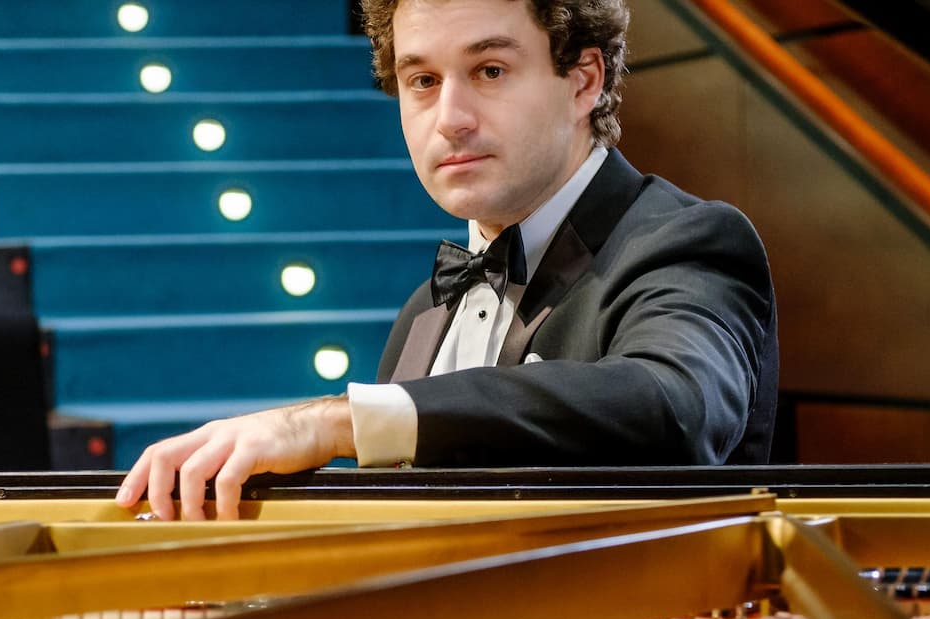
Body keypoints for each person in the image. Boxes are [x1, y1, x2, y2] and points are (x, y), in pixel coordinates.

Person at [116, 0, 777, 521]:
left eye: (489, 71)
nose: (450, 118)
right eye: (423, 80)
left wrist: (335, 420)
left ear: (583, 80)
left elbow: (674, 405)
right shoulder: (424, 314)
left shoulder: (687, 241)